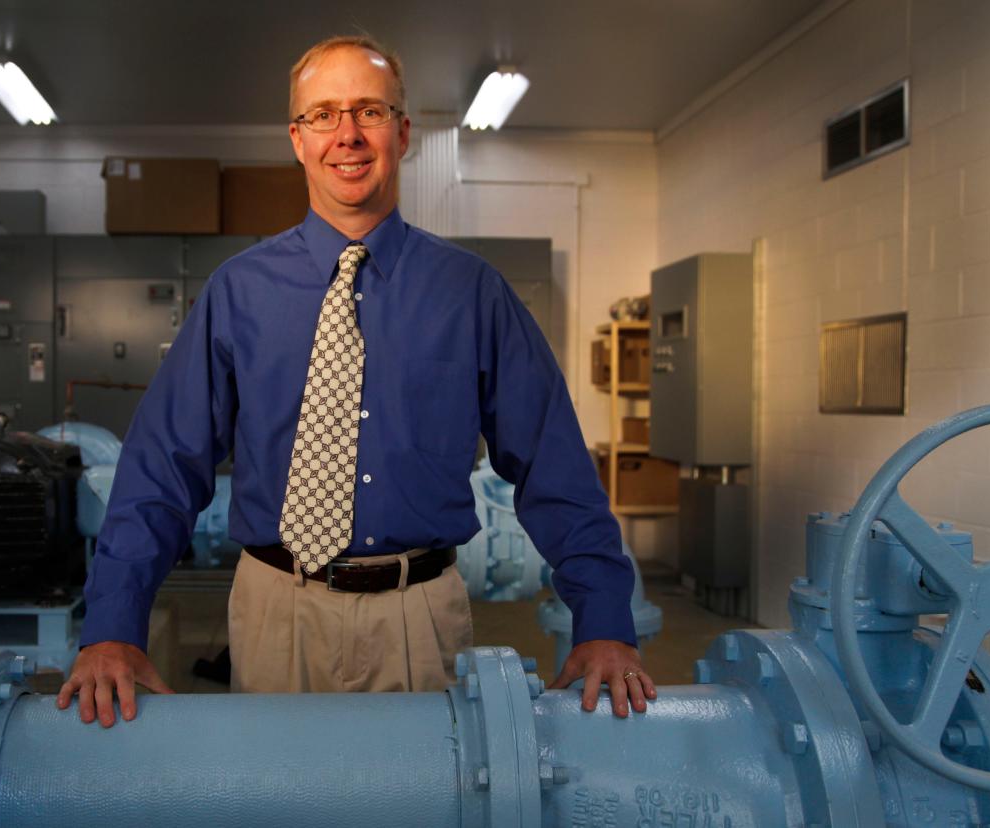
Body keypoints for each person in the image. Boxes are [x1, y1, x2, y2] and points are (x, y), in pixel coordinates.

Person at [56, 34, 656, 727]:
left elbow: (554, 465)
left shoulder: (472, 294)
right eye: (323, 115)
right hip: (277, 610)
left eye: (369, 111)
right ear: (297, 139)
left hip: (421, 617)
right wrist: (112, 627)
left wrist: (606, 621)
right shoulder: (237, 293)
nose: (347, 134)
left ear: (403, 133)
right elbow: (161, 467)